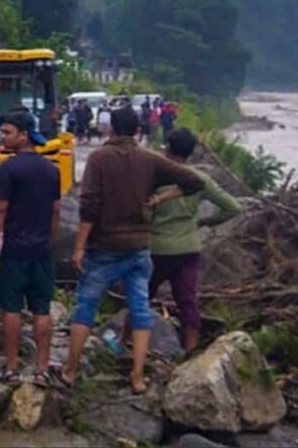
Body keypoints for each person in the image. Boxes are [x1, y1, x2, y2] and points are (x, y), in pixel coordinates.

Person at [60, 106, 205, 393]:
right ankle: (137, 376)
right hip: (139, 248)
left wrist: (79, 247)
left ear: (110, 128)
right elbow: (194, 181)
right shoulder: (149, 160)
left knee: (86, 306)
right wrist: (164, 197)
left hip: (104, 247)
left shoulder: (99, 159)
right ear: (138, 130)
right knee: (140, 309)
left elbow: (89, 205)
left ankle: (71, 370)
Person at [149, 128, 242, 351]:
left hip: (157, 247)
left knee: (140, 297)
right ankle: (190, 351)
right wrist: (206, 222)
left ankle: (126, 342)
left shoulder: (156, 176)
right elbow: (233, 207)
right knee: (187, 301)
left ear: (167, 149)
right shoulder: (200, 179)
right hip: (189, 247)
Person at [0, 111, 61, 383]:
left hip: (15, 250)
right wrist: (50, 241)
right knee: (42, 309)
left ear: (23, 134)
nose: (3, 137)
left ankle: (12, 366)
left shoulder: (9, 169)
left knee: (12, 308)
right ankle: (42, 368)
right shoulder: (51, 170)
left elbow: (0, 210)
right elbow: (55, 211)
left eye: (7, 132)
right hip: (41, 250)